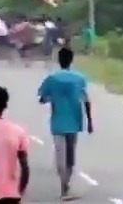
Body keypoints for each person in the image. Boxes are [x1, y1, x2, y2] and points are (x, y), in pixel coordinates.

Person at [37, 47, 93, 201]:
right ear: (71, 59)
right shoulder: (80, 78)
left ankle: (64, 187)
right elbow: (86, 100)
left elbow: (42, 98)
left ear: (58, 60)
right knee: (70, 156)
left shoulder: (52, 78)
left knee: (60, 155)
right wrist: (90, 122)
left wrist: (52, 97)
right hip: (75, 120)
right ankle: (66, 186)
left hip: (58, 121)